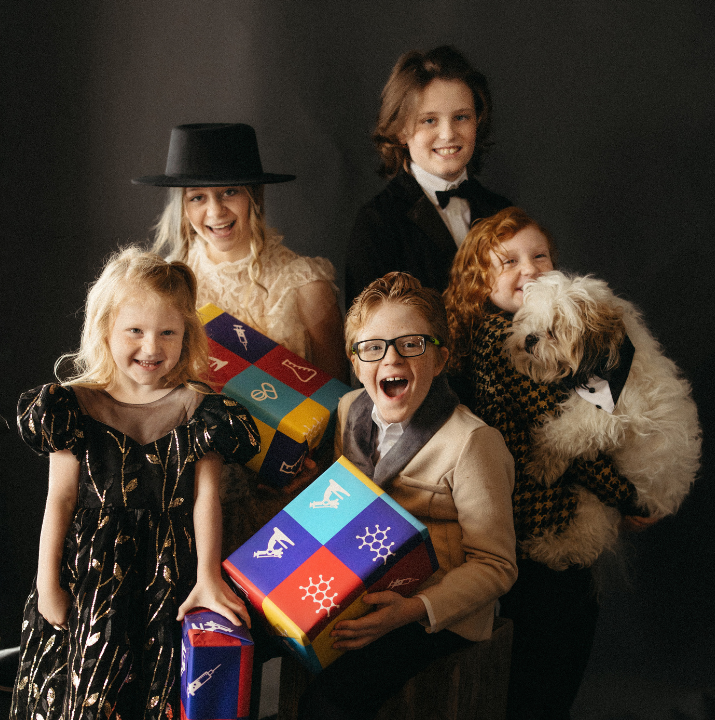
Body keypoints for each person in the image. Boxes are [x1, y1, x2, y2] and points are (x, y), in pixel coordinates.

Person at [10, 248, 260, 720]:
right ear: (105, 329)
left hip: (167, 578)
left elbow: (207, 499)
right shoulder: (72, 407)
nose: (152, 347)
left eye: (168, 332)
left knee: (156, 691)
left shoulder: (199, 410)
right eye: (135, 331)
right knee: (86, 695)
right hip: (91, 581)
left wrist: (208, 576)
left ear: (187, 336)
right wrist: (48, 583)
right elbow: (59, 500)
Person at [443, 207, 655, 720]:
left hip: (527, 528)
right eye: (509, 261)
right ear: (479, 278)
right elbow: (563, 439)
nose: (531, 268)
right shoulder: (507, 342)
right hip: (542, 528)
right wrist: (631, 496)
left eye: (540, 256)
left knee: (529, 673)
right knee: (546, 672)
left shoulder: (515, 334)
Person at [298, 272, 517, 720]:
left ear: (440, 358)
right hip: (360, 586)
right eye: (373, 347)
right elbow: (349, 504)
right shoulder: (346, 409)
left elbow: (497, 566)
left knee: (329, 701)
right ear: (355, 363)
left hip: (434, 608)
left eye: (411, 343)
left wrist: (411, 611)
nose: (391, 357)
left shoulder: (473, 442)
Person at [133, 123, 348, 554]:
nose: (215, 211)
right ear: (182, 205)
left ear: (254, 194)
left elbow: (340, 403)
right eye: (198, 197)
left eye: (229, 191)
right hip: (193, 499)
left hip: (290, 497)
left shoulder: (305, 283)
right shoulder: (162, 290)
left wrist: (319, 470)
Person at [345, 45, 512, 306]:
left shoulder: (504, 212)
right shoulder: (376, 224)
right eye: (429, 120)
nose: (448, 134)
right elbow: (367, 336)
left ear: (478, 122)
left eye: (461, 117)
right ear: (400, 130)